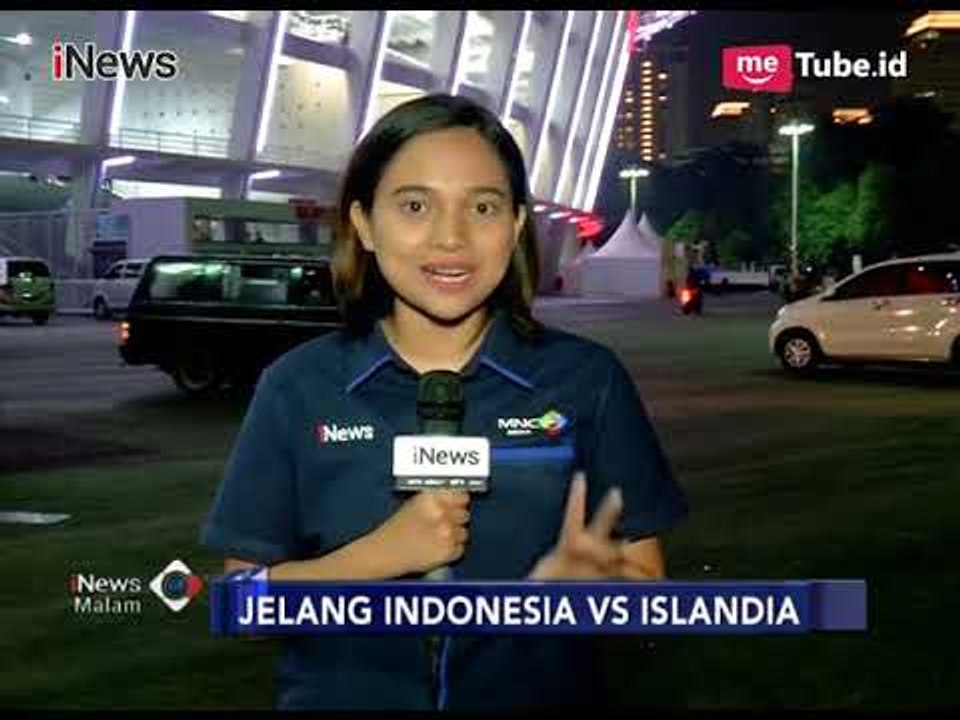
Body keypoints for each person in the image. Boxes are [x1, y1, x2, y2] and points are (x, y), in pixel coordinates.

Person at [199, 93, 688, 711]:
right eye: (415, 205)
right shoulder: (296, 387)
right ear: (365, 224)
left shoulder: (587, 381)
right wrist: (375, 558)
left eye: (482, 206)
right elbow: (240, 607)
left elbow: (648, 593)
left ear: (514, 227)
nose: (450, 237)